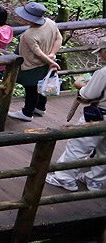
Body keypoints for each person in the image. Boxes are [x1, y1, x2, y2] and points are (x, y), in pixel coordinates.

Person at [45, 47, 106, 191]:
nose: (100, 55)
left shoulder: (103, 73)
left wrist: (82, 86)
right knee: (105, 150)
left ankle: (64, 178)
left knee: (78, 146)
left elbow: (89, 94)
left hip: (99, 115)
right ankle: (95, 180)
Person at [9, 2, 63, 122]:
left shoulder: (29, 34)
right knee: (42, 84)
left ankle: (27, 113)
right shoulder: (50, 23)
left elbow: (37, 52)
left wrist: (51, 62)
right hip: (45, 63)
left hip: (31, 64)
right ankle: (40, 107)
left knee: (31, 88)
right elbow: (59, 38)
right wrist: (52, 55)